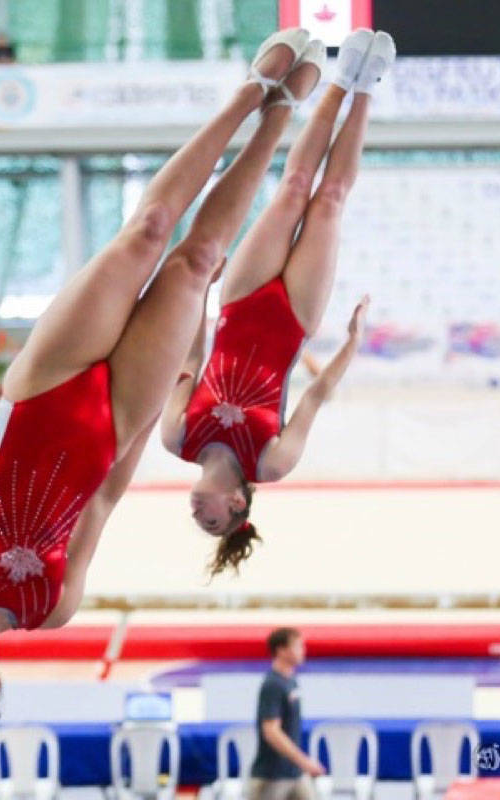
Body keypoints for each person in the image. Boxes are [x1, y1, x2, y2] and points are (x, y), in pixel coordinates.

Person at [0, 26, 323, 737]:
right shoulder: (52, 610)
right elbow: (102, 503)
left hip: (43, 390)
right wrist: (155, 404)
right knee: (198, 264)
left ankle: (251, 93)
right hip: (117, 419)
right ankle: (280, 118)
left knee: (150, 230)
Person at [159, 29, 395, 577]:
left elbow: (189, 361)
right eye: (213, 522)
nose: (200, 515)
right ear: (238, 505)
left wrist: (199, 293)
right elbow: (314, 396)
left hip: (239, 300)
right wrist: (353, 342)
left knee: (292, 190)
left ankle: (339, 82)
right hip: (295, 319)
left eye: (201, 522)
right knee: (329, 202)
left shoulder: (177, 437)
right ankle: (365, 90)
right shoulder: (272, 461)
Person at [251, 627, 324, 800]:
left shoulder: (291, 681)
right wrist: (303, 761)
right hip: (272, 776)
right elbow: (271, 731)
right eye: (298, 646)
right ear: (282, 650)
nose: (303, 651)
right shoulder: (273, 685)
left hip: (294, 773)